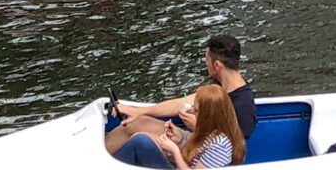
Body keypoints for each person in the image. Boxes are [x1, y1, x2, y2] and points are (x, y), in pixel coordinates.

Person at [106, 34, 257, 157]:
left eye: (207, 59)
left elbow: (230, 153)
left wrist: (197, 127)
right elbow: (181, 102)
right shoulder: (217, 85)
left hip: (200, 154)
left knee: (142, 141)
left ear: (217, 65)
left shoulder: (243, 106)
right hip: (193, 138)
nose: (206, 63)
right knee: (133, 124)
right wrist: (139, 111)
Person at [113, 83, 245, 169]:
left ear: (207, 115)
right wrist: (178, 138)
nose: (192, 111)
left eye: (196, 110)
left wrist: (174, 150)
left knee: (141, 141)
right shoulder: (209, 132)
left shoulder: (220, 144)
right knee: (142, 139)